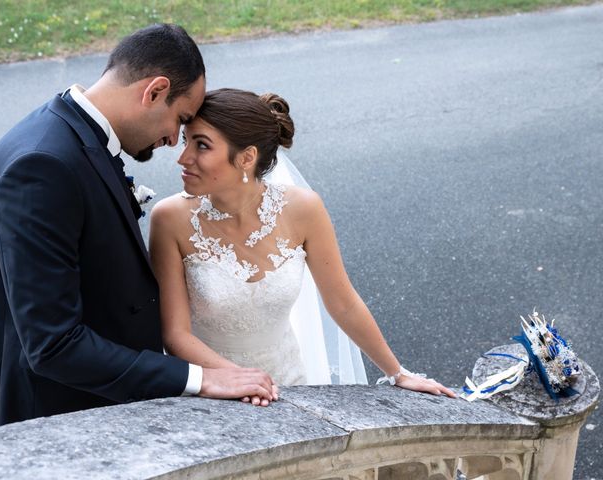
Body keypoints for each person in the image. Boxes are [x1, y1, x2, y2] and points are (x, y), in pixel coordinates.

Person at [0, 25, 276, 429]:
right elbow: (53, 344)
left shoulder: (71, 133)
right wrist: (199, 379)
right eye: (179, 119)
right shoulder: (43, 166)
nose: (172, 141)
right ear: (154, 91)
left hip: (94, 403)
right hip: (51, 418)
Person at [149, 88, 456, 406]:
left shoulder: (303, 209)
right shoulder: (170, 219)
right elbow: (175, 334)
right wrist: (240, 380)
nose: (183, 158)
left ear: (247, 157)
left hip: (289, 381)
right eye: (186, 141)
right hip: (210, 389)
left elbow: (343, 302)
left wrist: (398, 373)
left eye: (201, 145)